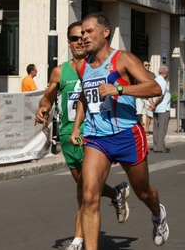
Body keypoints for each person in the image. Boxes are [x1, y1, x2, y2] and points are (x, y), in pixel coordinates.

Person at [70, 12, 169, 250]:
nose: (84, 36)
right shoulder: (83, 65)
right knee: (89, 197)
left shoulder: (122, 59)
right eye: (82, 32)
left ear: (105, 32)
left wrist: (119, 91)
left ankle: (158, 214)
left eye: (89, 31)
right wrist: (77, 126)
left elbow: (155, 88)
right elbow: (85, 95)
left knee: (143, 193)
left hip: (126, 136)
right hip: (96, 138)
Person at [35, 21, 130, 250]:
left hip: (94, 133)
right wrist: (43, 108)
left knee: (85, 190)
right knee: (84, 185)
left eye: (82, 37)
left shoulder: (98, 66)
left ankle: (78, 241)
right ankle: (116, 193)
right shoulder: (60, 71)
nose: (79, 41)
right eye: (74, 38)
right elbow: (48, 96)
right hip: (69, 134)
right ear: (68, 42)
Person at [148, 66, 171, 153]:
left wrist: (151, 104)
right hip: (163, 108)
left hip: (156, 108)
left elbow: (149, 93)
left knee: (156, 128)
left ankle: (156, 146)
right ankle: (160, 147)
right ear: (165, 73)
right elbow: (160, 95)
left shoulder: (154, 80)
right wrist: (154, 104)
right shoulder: (162, 82)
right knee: (162, 128)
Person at [136, 61, 155, 135]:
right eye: (146, 65)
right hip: (139, 96)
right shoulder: (137, 73)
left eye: (149, 65)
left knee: (149, 113)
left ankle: (146, 129)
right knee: (139, 112)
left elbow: (154, 84)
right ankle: (141, 128)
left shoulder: (152, 74)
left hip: (148, 96)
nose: (147, 66)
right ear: (142, 66)